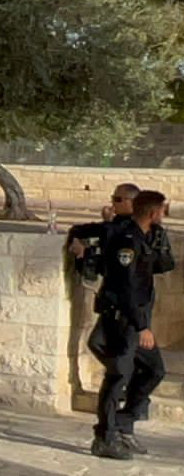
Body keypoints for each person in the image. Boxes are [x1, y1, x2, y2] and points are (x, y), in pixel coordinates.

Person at [90, 189, 169, 460]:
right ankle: (105, 437)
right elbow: (126, 289)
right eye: (161, 209)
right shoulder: (127, 241)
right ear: (152, 212)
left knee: (154, 370)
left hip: (136, 320)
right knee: (117, 376)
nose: (163, 214)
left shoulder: (146, 237)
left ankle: (124, 423)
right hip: (125, 321)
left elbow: (162, 266)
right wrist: (141, 326)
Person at [67, 184, 139, 386]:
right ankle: (124, 378)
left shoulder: (134, 229)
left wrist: (86, 253)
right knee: (99, 343)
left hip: (128, 303)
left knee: (114, 347)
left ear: (132, 203)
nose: (112, 204)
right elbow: (83, 231)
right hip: (111, 301)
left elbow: (115, 260)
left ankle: (126, 381)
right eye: (112, 198)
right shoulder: (116, 224)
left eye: (118, 200)